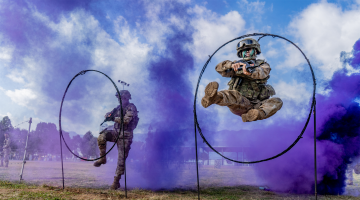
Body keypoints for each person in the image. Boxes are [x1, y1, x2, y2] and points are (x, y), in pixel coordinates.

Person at [201, 38, 283, 122]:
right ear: (240, 53)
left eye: (249, 49)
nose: (246, 52)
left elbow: (262, 73)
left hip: (257, 105)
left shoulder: (263, 65)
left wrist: (250, 71)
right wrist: (231, 65)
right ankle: (213, 98)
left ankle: (254, 115)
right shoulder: (237, 65)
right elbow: (219, 68)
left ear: (255, 51)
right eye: (243, 50)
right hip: (241, 102)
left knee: (277, 101)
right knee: (233, 95)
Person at [93, 90, 139, 190]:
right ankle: (103, 158)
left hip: (125, 136)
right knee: (102, 136)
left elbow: (126, 121)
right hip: (115, 133)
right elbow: (110, 114)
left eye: (122, 98)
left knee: (121, 160)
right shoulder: (118, 108)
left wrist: (113, 118)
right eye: (119, 98)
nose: (120, 100)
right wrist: (108, 116)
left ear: (127, 98)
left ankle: (116, 181)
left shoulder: (131, 107)